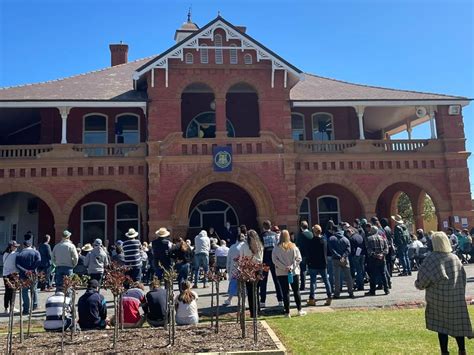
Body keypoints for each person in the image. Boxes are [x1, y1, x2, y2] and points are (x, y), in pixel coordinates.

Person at [415, 232, 473, 355]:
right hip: (455, 298)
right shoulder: (455, 258)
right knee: (458, 325)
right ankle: (462, 350)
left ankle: (444, 352)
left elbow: (422, 281)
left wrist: (418, 284)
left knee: (441, 327)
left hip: (438, 299)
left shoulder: (431, 259)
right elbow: (463, 278)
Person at [272, 229, 306, 318]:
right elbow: (298, 258)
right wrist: (291, 267)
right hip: (294, 272)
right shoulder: (294, 247)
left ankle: (287, 312)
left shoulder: (276, 248)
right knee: (296, 291)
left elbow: (275, 260)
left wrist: (284, 267)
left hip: (281, 272)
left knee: (285, 292)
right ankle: (299, 310)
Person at [306, 225, 332, 306]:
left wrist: (308, 261)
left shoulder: (311, 241)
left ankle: (312, 298)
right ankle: (329, 296)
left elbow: (309, 253)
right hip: (322, 263)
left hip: (313, 263)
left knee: (313, 281)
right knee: (326, 281)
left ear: (313, 232)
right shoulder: (324, 240)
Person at [240, 229, 264, 317]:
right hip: (258, 268)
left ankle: (253, 312)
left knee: (250, 291)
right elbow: (261, 259)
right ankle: (258, 310)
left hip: (248, 268)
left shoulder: (244, 245)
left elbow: (241, 258)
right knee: (256, 290)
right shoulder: (260, 245)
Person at [259, 220, 283, 308]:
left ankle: (262, 301)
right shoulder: (274, 235)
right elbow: (278, 246)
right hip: (274, 259)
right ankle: (280, 300)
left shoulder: (261, 236)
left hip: (265, 260)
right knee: (276, 280)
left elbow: (260, 249)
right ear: (270, 226)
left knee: (263, 281)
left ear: (263, 226)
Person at [16, 239, 41, 315]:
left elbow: (17, 265)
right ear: (30, 245)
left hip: (23, 275)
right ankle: (34, 305)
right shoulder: (36, 252)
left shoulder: (20, 254)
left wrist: (25, 270)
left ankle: (26, 308)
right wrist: (32, 269)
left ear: (24, 246)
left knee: (24, 291)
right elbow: (39, 261)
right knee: (34, 290)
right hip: (33, 274)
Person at [328, 229, 354, 299]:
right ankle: (351, 292)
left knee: (337, 277)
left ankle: (337, 293)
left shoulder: (331, 238)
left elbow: (332, 250)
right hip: (345, 259)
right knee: (348, 276)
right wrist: (343, 256)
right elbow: (348, 250)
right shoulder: (346, 239)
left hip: (336, 259)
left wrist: (338, 256)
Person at [365, 226, 390, 296]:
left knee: (373, 275)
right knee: (383, 274)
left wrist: (375, 255)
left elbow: (369, 250)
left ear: (372, 231)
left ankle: (372, 291)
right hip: (382, 259)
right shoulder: (382, 238)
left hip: (373, 259)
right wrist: (382, 254)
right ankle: (386, 289)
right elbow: (386, 248)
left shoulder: (369, 238)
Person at [224, 234, 245, 306]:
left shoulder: (232, 247)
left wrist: (228, 269)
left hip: (234, 269)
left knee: (233, 285)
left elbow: (228, 260)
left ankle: (229, 299)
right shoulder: (245, 246)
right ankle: (242, 301)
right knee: (243, 286)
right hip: (243, 269)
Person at [2, 240, 20, 314]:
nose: (16, 248)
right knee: (13, 292)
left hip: (5, 274)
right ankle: (12, 307)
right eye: (15, 246)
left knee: (7, 292)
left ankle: (6, 308)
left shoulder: (5, 254)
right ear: (11, 247)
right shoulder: (15, 254)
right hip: (12, 275)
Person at [346, 226, 366, 291]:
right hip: (362, 254)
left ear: (349, 233)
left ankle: (360, 285)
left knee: (358, 271)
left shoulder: (351, 239)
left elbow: (351, 249)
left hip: (356, 256)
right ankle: (361, 284)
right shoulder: (360, 236)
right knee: (361, 270)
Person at [295, 221, 313, 291]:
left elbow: (297, 245)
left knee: (303, 270)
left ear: (301, 227)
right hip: (311, 255)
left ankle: (303, 286)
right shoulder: (311, 234)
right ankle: (313, 285)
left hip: (303, 254)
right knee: (312, 270)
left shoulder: (301, 235)